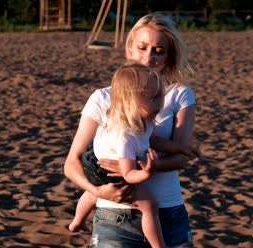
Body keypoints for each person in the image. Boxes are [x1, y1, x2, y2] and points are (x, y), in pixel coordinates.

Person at [64, 12, 198, 247]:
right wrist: (98, 191)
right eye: (142, 47)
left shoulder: (179, 95)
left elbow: (180, 158)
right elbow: (71, 162)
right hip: (114, 215)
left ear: (168, 56)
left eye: (159, 50)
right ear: (129, 49)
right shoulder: (103, 97)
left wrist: (143, 167)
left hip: (167, 209)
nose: (149, 57)